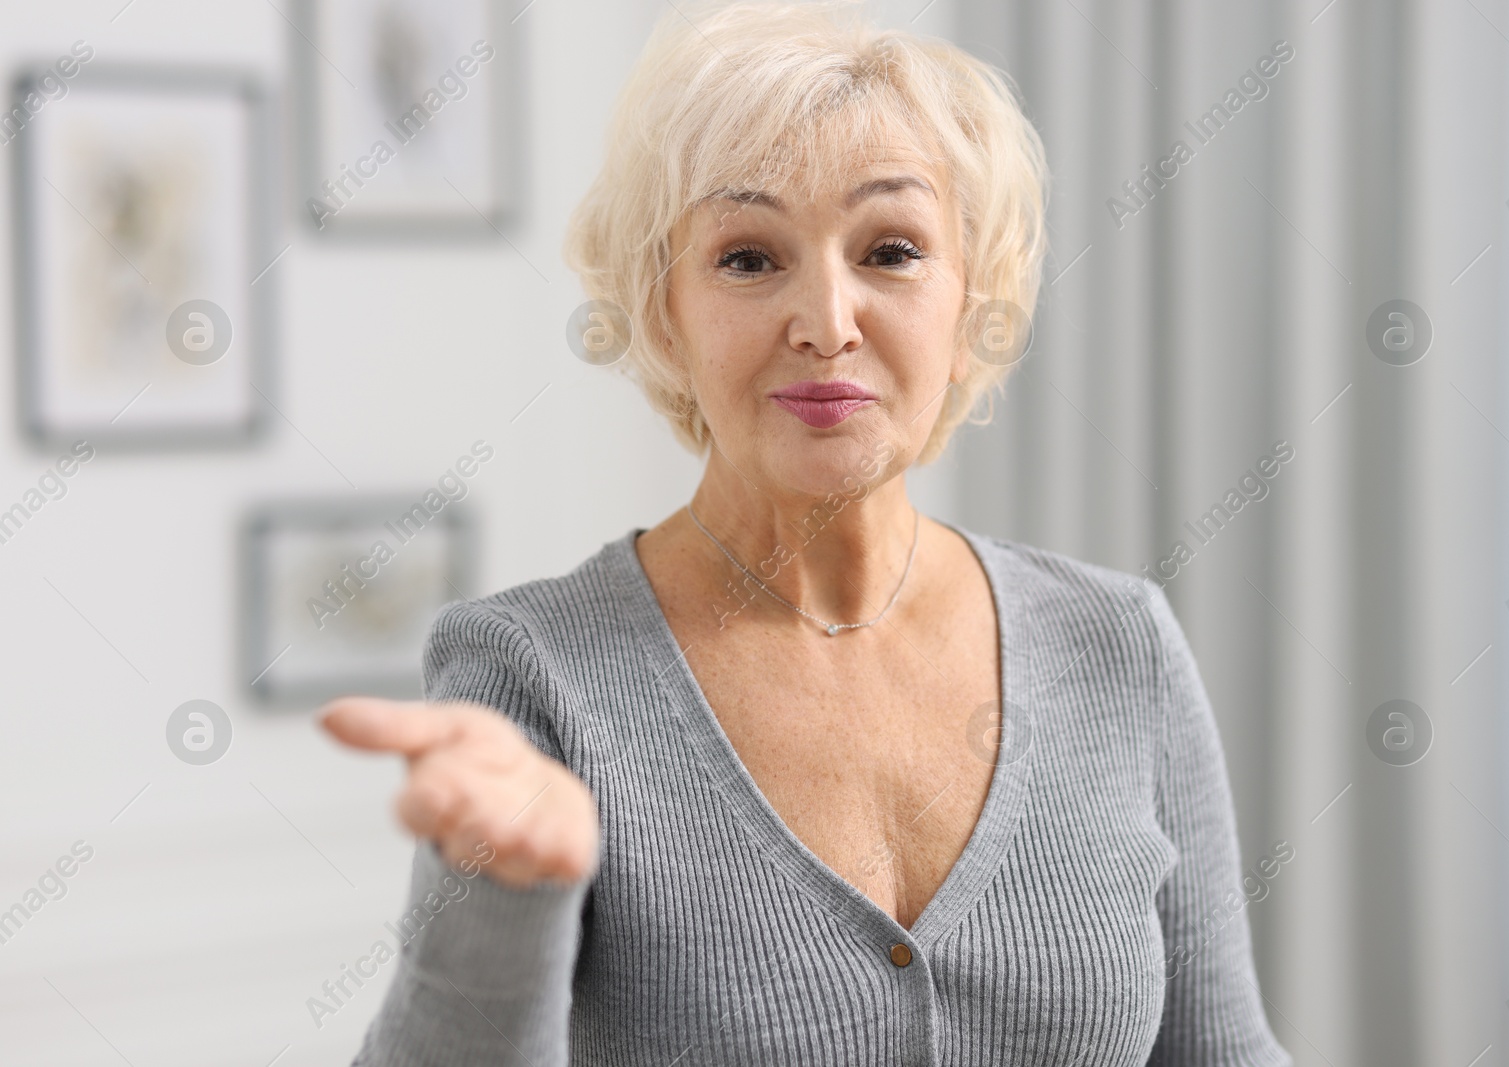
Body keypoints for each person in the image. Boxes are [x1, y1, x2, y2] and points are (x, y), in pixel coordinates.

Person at [320, 2, 1292, 1063]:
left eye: (890, 249)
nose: (826, 320)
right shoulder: (534, 671)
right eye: (747, 257)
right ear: (662, 312)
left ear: (974, 305)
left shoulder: (1120, 641)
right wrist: (501, 903)